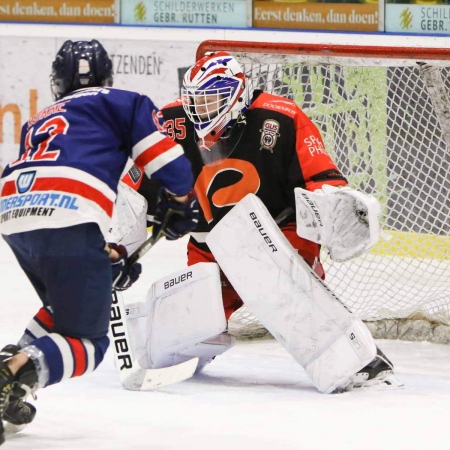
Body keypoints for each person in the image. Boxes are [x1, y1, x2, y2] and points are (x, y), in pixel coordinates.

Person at [148, 51, 400, 391]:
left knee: (284, 287)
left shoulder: (281, 117)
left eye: (209, 100)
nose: (199, 110)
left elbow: (323, 177)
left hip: (281, 232)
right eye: (195, 100)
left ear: (235, 93)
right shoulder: (171, 120)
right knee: (191, 325)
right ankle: (195, 347)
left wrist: (334, 204)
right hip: (211, 242)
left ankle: (359, 358)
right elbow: (135, 183)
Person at [0, 39, 198, 445]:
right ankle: (12, 370)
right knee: (88, 341)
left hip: (12, 211)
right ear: (108, 76)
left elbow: (48, 192)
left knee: (63, 307)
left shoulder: (38, 119)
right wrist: (181, 200)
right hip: (69, 214)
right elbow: (165, 157)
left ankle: (12, 379)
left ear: (57, 82)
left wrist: (102, 254)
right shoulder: (124, 101)